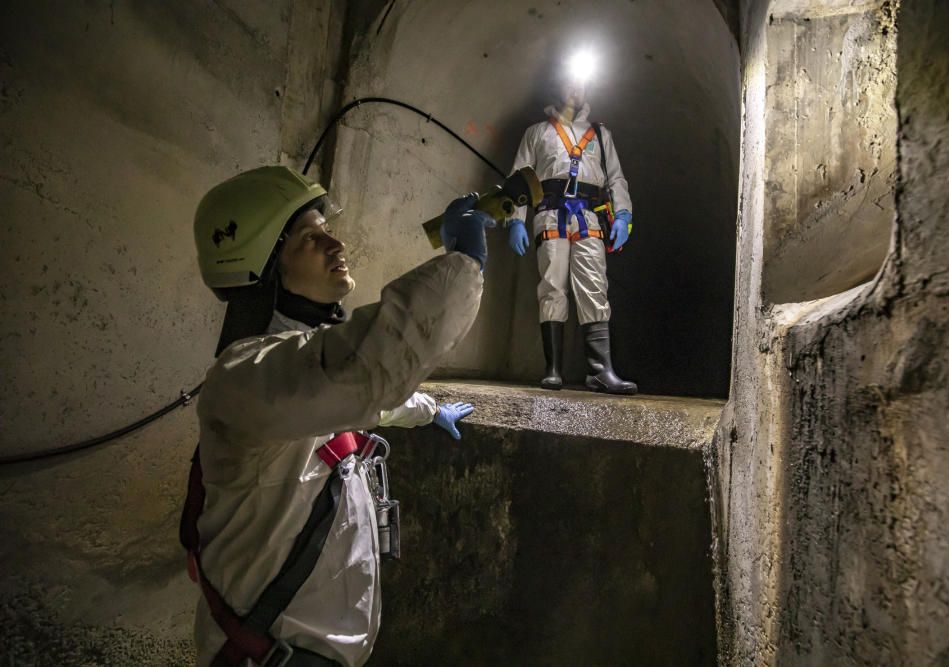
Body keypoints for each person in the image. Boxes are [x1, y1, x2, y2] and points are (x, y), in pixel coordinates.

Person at [184, 166, 493, 666]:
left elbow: (358, 396)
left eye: (328, 229)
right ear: (263, 269)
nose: (336, 244)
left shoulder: (298, 374)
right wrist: (464, 264)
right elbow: (357, 371)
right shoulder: (244, 377)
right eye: (311, 237)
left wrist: (430, 411)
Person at [507, 70, 637, 395]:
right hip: (550, 215)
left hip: (590, 218)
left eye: (581, 83)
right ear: (556, 86)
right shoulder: (537, 133)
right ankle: (553, 370)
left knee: (595, 286)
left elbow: (616, 179)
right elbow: (519, 179)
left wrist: (622, 215)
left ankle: (601, 371)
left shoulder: (600, 135)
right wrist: (514, 221)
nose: (575, 89)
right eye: (570, 81)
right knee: (552, 286)